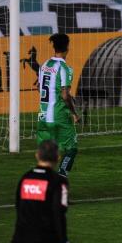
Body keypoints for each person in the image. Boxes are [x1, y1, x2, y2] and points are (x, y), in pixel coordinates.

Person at [9, 140, 71, 243]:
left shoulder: (25, 178)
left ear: (37, 155)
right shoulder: (58, 182)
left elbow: (18, 208)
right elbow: (59, 214)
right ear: (58, 158)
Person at [37, 33, 80, 177]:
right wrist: (74, 113)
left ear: (54, 47)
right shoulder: (64, 68)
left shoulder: (44, 65)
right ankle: (60, 180)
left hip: (43, 116)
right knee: (71, 148)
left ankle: (43, 187)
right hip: (59, 116)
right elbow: (64, 95)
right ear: (67, 48)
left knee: (45, 155)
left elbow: (40, 87)